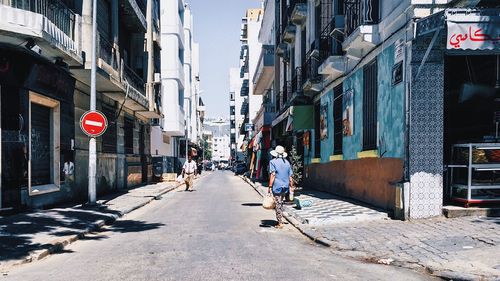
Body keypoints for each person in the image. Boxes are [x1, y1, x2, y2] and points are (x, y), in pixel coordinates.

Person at [268, 145, 293, 229]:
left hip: (277, 186)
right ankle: (281, 218)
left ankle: (280, 222)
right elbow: (290, 177)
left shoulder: (273, 162)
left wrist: (270, 186)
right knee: (281, 202)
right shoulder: (287, 163)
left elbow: (273, 174)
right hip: (285, 186)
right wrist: (291, 186)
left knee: (278, 203)